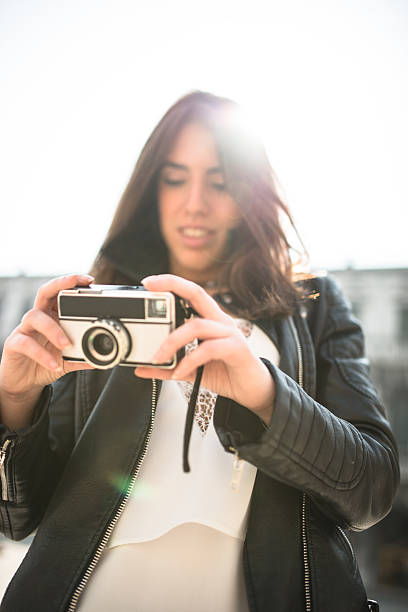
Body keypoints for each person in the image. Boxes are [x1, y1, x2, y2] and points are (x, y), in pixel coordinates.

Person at [0, 91, 399, 612]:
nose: (195, 203)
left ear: (249, 195)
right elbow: (16, 517)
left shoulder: (311, 305)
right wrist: (13, 402)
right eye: (174, 178)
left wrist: (261, 393)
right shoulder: (101, 307)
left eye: (220, 182)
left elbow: (372, 487)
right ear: (151, 190)